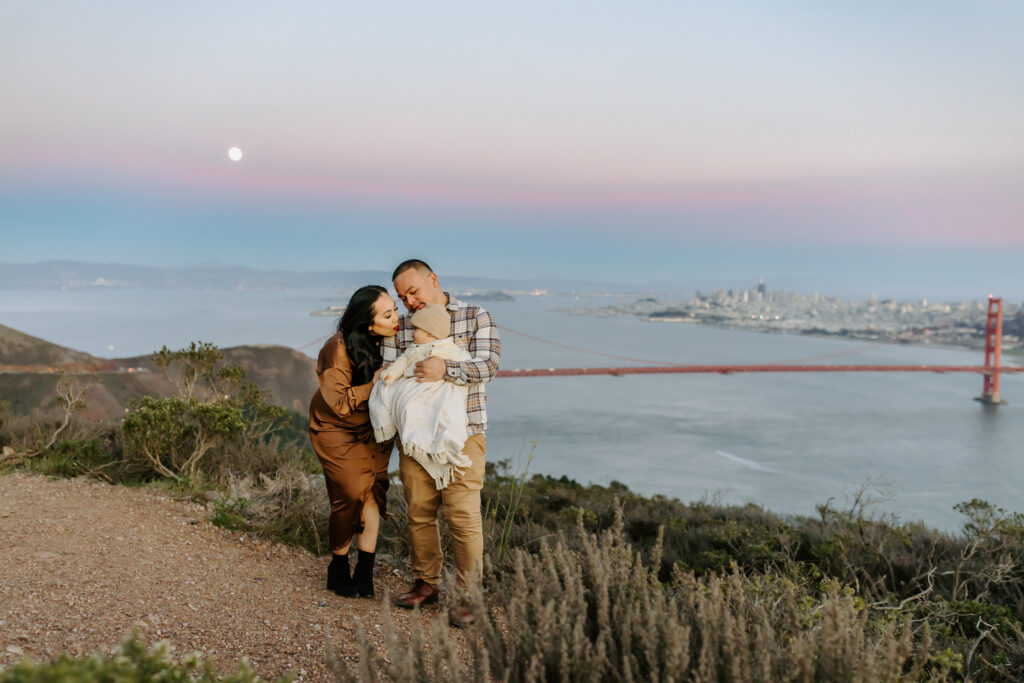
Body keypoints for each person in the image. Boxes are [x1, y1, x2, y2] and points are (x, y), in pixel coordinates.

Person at [381, 259, 501, 626]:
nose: (409, 302)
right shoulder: (399, 328)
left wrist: (445, 369)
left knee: (463, 517)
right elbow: (389, 373)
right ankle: (426, 583)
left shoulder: (475, 315)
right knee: (419, 511)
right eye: (402, 298)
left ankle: (469, 597)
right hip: (415, 436)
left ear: (432, 279)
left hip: (463, 434)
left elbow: (490, 365)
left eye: (413, 292)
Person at [308, 285, 399, 599]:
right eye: (388, 314)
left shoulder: (389, 341)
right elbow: (341, 403)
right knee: (348, 495)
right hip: (335, 428)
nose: (396, 318)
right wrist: (374, 382)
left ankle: (365, 573)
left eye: (396, 310)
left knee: (372, 493)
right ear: (368, 322)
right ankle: (338, 565)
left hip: (372, 427)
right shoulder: (337, 349)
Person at [369, 303, 473, 490]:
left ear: (430, 333)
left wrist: (445, 368)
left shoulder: (447, 348)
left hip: (437, 390)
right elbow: (402, 363)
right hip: (415, 387)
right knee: (388, 393)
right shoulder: (413, 350)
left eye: (417, 328)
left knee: (446, 413)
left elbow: (463, 361)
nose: (412, 332)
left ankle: (442, 448)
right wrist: (390, 375)